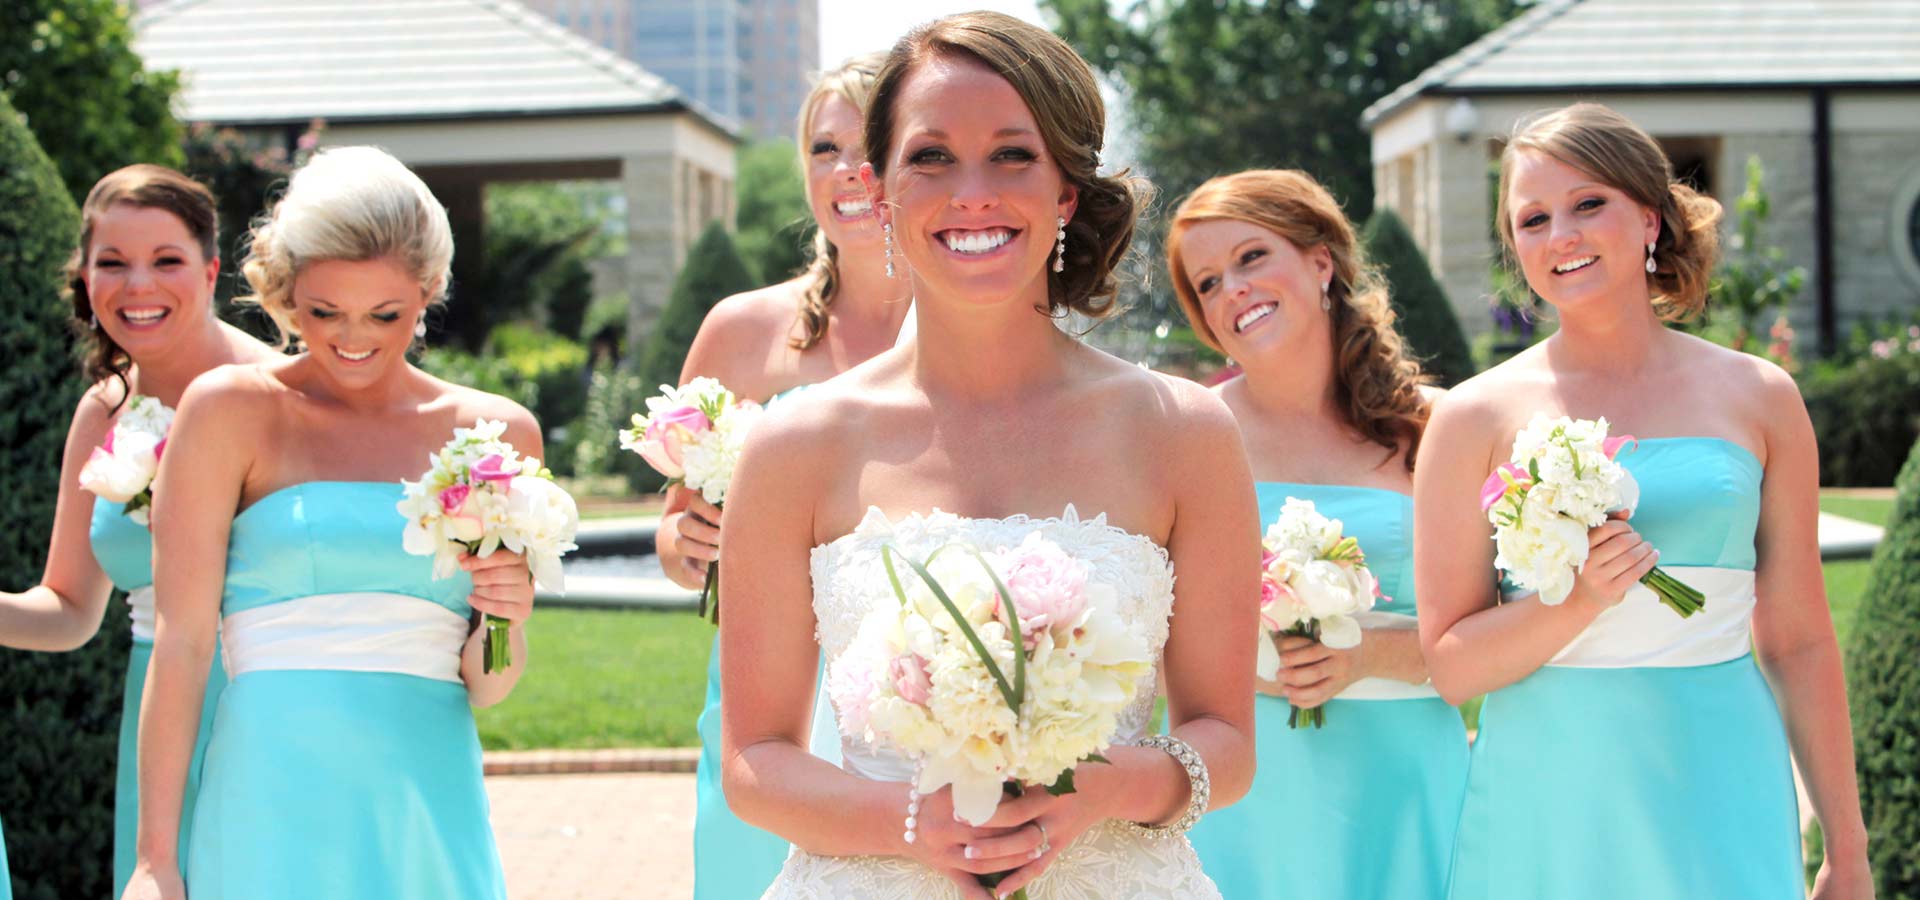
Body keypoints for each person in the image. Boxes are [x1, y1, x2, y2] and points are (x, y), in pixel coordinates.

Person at [719, 13, 1258, 898]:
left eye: (1014, 155)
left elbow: (1226, 741)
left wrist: (1098, 789)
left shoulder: (1183, 432)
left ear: (1066, 194)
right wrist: (913, 828)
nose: (973, 193)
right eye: (931, 157)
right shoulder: (796, 444)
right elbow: (754, 759)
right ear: (878, 188)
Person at [1415, 103, 1872, 899]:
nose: (1561, 234)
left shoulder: (1761, 396)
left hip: (1720, 771)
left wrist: (1848, 849)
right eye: (1532, 219)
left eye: (1589, 203)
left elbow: (1798, 641)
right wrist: (1577, 601)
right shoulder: (1470, 418)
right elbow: (1452, 668)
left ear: (1650, 218)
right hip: (1554, 789)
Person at [122, 147, 537, 900]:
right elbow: (180, 646)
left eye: (385, 314)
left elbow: (490, 684)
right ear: (285, 293)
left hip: (424, 793)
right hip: (266, 790)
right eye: (323, 313)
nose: (354, 339)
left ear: (429, 291)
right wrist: (154, 858)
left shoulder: (494, 433)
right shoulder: (226, 411)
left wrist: (509, 612)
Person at [1166, 168, 1467, 898]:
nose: (1231, 289)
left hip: (1409, 780)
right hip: (1254, 793)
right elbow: (1156, 623)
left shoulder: (1438, 425)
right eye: (1206, 284)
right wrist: (1258, 669)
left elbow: (1501, 622)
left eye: (1250, 258)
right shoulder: (1188, 434)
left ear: (1320, 261)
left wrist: (1372, 652)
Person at [663, 52, 916, 899]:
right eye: (823, 149)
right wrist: (687, 538)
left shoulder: (982, 332)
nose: (848, 172)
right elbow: (675, 534)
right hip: (763, 695)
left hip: (924, 680)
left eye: (870, 146)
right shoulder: (740, 332)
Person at [0, 164, 275, 897]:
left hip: (271, 708)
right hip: (155, 727)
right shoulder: (104, 411)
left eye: (167, 261)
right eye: (112, 263)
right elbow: (66, 612)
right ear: (85, 279)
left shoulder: (285, 397)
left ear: (212, 270)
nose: (138, 286)